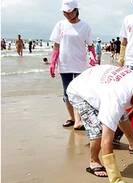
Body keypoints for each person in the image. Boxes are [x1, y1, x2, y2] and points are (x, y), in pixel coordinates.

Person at [49, 0, 97, 130]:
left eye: (70, 12)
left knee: (79, 92)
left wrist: (93, 58)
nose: (67, 15)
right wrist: (53, 63)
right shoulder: (60, 25)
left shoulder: (85, 26)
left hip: (80, 63)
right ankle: (72, 117)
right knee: (67, 93)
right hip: (64, 63)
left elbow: (90, 45)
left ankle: (79, 120)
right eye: (65, 12)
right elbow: (56, 46)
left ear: (76, 10)